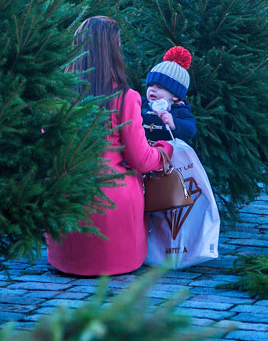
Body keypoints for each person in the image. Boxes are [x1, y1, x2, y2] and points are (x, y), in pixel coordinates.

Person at [46, 16, 173, 276]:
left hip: (67, 201)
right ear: (113, 51)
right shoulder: (125, 97)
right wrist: (164, 151)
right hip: (113, 208)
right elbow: (141, 160)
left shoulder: (59, 92)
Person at [141, 46, 197, 142]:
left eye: (159, 87)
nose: (152, 90)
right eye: (150, 85)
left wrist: (174, 124)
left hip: (165, 155)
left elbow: (190, 129)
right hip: (139, 154)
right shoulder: (142, 103)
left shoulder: (180, 110)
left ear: (175, 95)